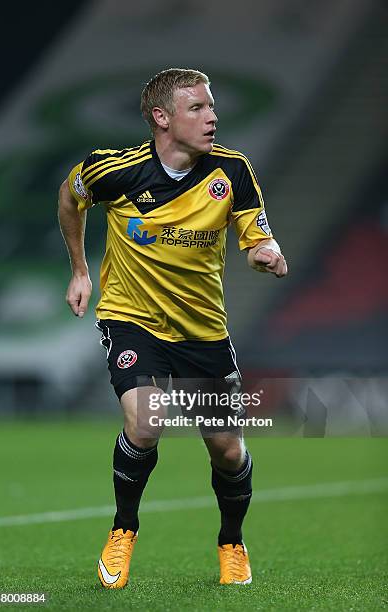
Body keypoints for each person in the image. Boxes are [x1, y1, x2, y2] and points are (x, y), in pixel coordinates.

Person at [58, 68, 287, 589]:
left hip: (203, 331)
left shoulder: (232, 170)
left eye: (212, 107)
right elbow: (69, 199)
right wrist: (79, 269)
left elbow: (255, 238)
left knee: (227, 450)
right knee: (145, 422)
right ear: (162, 118)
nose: (212, 117)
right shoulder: (111, 171)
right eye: (198, 108)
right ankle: (124, 529)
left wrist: (265, 253)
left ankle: (231, 540)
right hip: (132, 318)